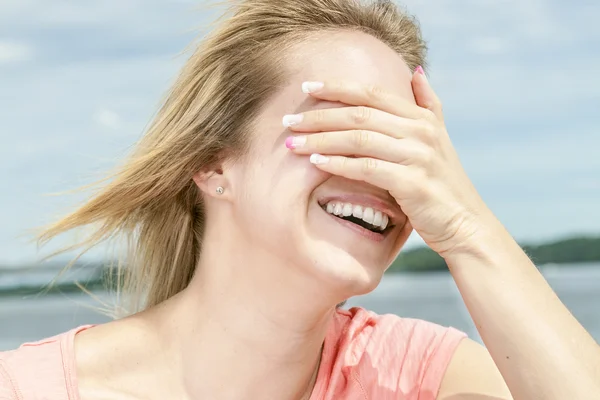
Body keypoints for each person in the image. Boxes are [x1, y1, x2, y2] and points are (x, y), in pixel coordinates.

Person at [1, 0, 599, 399]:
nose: (381, 173)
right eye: (342, 129)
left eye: (407, 147)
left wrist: (467, 227)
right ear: (212, 162)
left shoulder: (420, 377)